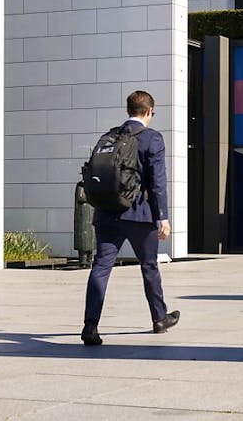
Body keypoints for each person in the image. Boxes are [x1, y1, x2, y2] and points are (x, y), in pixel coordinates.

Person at [81, 90, 180, 345]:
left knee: (101, 267)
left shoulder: (110, 135)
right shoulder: (152, 138)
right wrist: (163, 218)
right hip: (139, 214)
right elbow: (158, 182)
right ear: (148, 111)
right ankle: (159, 318)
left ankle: (90, 325)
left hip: (107, 212)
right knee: (149, 266)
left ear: (129, 110)